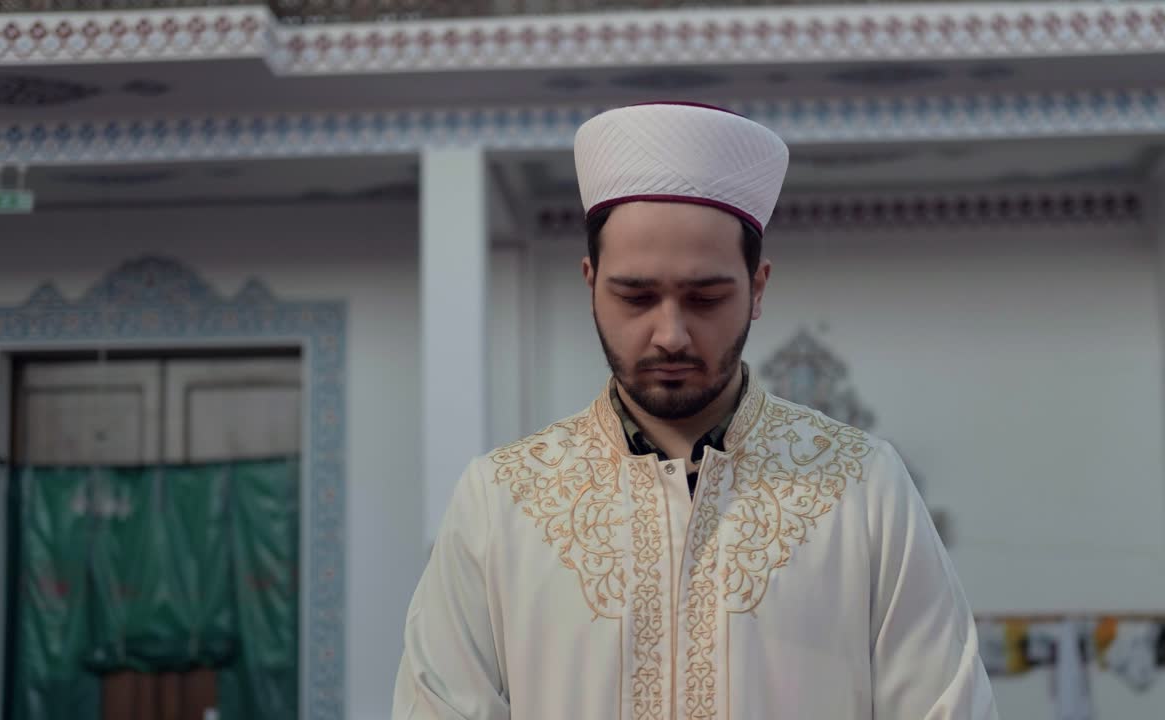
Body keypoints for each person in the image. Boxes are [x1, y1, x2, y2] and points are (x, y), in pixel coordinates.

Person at [392, 101, 998, 719]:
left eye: (705, 298)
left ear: (757, 288)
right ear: (591, 283)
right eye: (636, 297)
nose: (671, 335)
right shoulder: (502, 499)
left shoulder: (863, 487)